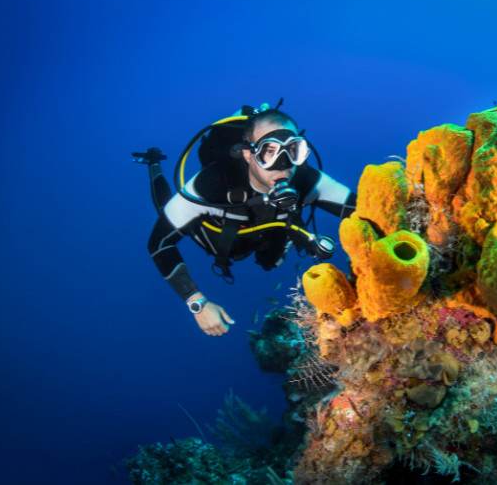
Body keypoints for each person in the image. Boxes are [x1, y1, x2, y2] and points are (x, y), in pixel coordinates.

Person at [134, 105, 357, 337]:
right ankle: (153, 163)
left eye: (293, 150)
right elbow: (159, 243)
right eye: (269, 151)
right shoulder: (211, 184)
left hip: (270, 237)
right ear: (248, 154)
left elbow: (364, 210)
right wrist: (196, 303)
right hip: (216, 238)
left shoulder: (307, 180)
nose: (284, 164)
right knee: (164, 209)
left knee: (273, 257)